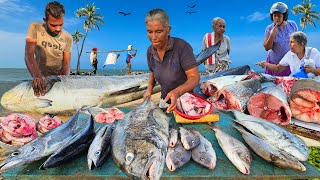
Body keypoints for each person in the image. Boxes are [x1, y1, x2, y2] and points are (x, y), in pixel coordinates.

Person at [143, 8, 200, 113]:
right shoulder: (150, 51)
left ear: (168, 30)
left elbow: (194, 77)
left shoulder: (182, 47)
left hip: (187, 102)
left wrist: (177, 92)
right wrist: (149, 89)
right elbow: (153, 71)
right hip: (165, 100)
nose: (153, 37)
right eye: (150, 32)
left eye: (159, 31)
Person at [25, 1, 72, 97]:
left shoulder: (68, 37)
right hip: (39, 76)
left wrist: (65, 83)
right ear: (45, 20)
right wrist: (37, 76)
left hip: (57, 80)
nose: (58, 29)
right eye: (53, 25)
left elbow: (66, 64)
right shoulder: (35, 28)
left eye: (61, 24)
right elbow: (29, 55)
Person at [263, 2, 298, 76]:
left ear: (284, 16)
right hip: (274, 62)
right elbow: (267, 48)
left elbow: (297, 42)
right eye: (274, 16)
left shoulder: (292, 25)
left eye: (279, 16)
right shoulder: (269, 28)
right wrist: (272, 35)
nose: (276, 18)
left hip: (288, 63)